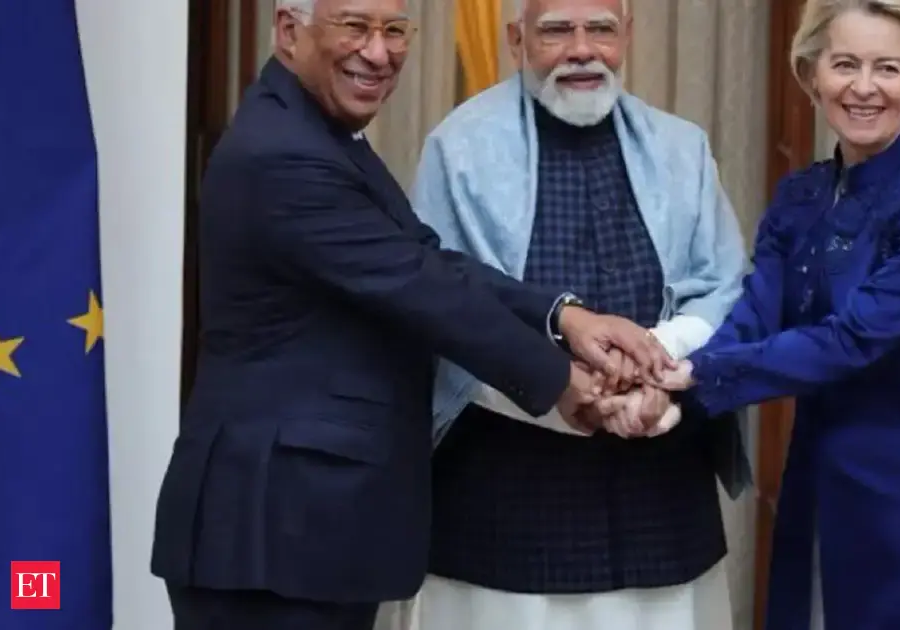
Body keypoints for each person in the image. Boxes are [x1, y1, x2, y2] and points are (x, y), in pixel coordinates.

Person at [148, 1, 671, 629]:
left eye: (394, 30)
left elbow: (426, 259)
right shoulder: (283, 153)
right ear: (289, 32)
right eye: (354, 26)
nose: (378, 52)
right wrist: (561, 380)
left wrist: (564, 317)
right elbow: (420, 288)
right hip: (271, 534)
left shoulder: (318, 132)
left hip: (306, 531)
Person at [650, 1, 900, 628]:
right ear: (811, 76)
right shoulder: (801, 195)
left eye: (888, 68)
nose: (864, 87)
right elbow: (755, 315)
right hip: (819, 491)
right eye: (845, 64)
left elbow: (850, 340)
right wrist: (669, 370)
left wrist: (691, 378)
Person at [407, 0, 751, 629]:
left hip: (660, 496)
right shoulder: (457, 150)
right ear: (516, 40)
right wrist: (565, 386)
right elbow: (442, 306)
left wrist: (656, 363)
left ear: (628, 35)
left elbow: (725, 287)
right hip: (506, 504)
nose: (582, 50)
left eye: (601, 29)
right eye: (557, 30)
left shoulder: (682, 147)